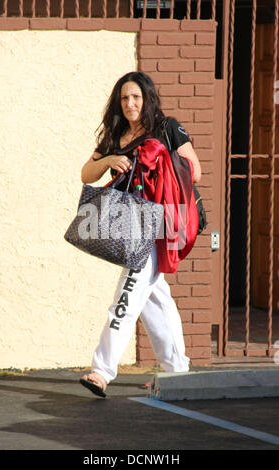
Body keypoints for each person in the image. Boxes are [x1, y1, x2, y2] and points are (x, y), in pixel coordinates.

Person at [80, 71, 201, 397]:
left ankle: (101, 371)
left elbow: (195, 169)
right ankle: (178, 372)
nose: (130, 103)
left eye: (135, 97)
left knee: (127, 295)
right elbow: (87, 174)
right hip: (129, 224)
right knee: (155, 298)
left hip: (157, 225)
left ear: (146, 98)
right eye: (124, 98)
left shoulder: (167, 128)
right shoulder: (115, 135)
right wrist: (110, 159)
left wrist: (157, 161)